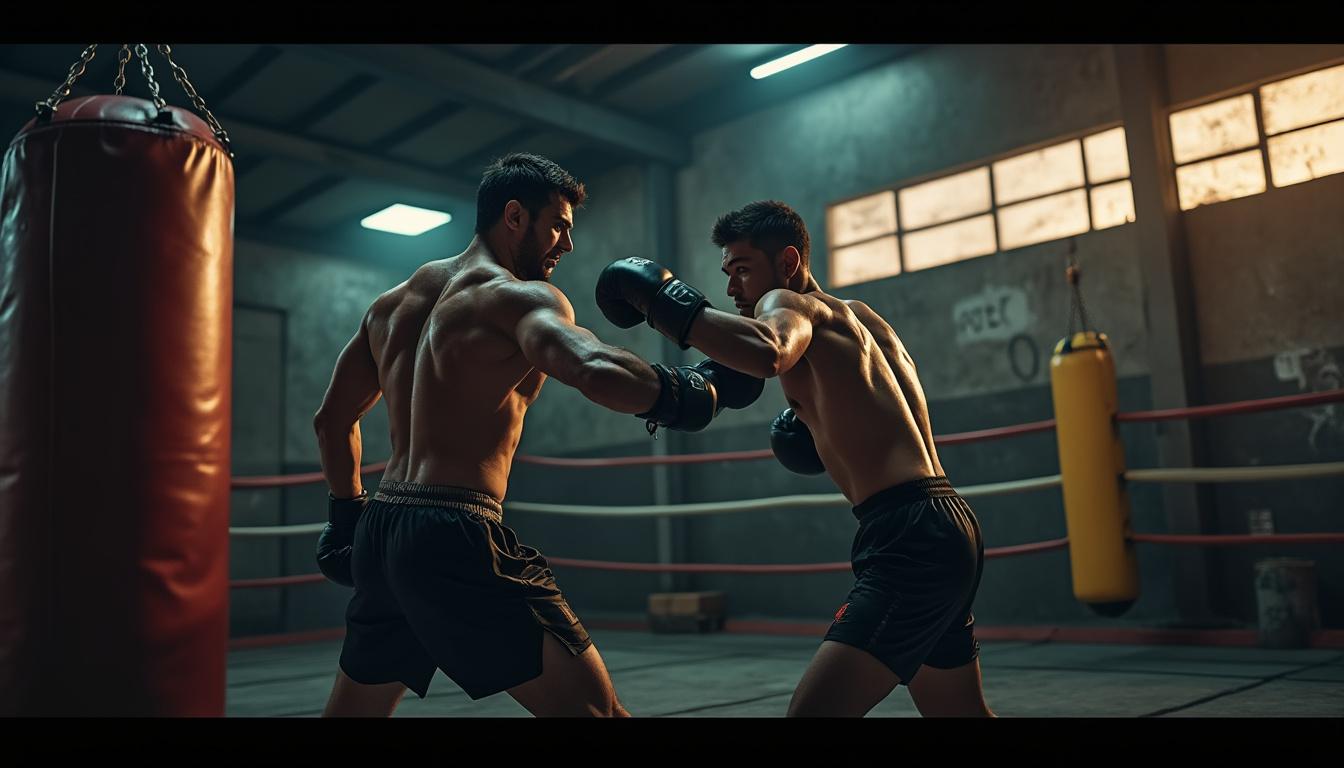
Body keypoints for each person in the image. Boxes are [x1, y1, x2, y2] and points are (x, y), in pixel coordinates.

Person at [311, 154, 763, 716]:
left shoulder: (392, 305)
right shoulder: (517, 298)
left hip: (381, 532)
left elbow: (331, 421)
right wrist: (692, 393)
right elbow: (593, 367)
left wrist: (346, 516)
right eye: (560, 226)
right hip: (456, 532)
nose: (567, 246)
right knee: (597, 712)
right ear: (516, 216)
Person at [595, 200, 993, 717]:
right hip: (946, 520)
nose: (733, 288)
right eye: (727, 273)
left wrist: (664, 303)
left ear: (787, 263)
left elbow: (768, 350)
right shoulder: (864, 320)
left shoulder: (788, 303)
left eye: (742, 270)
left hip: (908, 538)